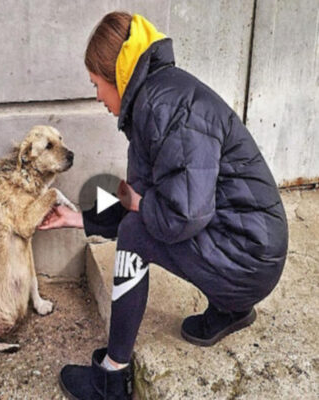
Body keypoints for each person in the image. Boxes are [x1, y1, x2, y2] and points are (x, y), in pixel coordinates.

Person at [39, 11, 288, 400]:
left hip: (250, 258)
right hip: (250, 249)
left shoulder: (165, 107)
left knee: (136, 235)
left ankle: (112, 376)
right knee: (138, 220)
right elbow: (140, 200)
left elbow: (181, 214)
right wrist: (79, 218)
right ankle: (231, 308)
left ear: (117, 74)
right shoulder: (155, 100)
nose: (97, 97)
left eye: (97, 84)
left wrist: (139, 205)